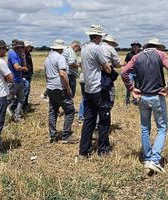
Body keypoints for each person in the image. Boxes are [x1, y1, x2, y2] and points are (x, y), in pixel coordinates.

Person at [122, 38, 168, 173]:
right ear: (157, 47)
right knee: (162, 129)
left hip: (143, 97)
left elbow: (123, 72)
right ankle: (155, 160)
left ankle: (147, 159)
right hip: (157, 96)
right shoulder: (161, 54)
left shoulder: (136, 57)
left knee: (145, 128)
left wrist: (131, 88)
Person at [79, 25, 112, 158]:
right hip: (98, 88)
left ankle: (83, 150)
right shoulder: (97, 49)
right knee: (104, 119)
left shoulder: (84, 47)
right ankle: (103, 149)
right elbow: (108, 69)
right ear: (99, 37)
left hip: (88, 88)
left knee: (89, 120)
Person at [44, 39, 78, 144]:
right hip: (60, 88)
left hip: (50, 88)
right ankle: (66, 135)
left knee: (53, 111)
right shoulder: (60, 58)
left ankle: (52, 135)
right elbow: (63, 74)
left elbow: (46, 75)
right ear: (61, 48)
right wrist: (67, 87)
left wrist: (48, 84)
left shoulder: (47, 59)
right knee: (70, 110)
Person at [7, 39, 29, 122]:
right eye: (23, 47)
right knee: (9, 99)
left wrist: (23, 58)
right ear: (18, 47)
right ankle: (6, 115)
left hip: (19, 80)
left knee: (21, 98)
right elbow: (17, 67)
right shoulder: (12, 53)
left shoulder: (18, 54)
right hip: (13, 81)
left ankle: (17, 116)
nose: (24, 49)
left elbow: (24, 65)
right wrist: (24, 69)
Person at [101, 34, 121, 108]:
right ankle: (105, 115)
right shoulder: (110, 48)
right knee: (109, 97)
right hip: (106, 75)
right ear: (111, 42)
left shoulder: (97, 47)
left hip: (94, 75)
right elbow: (117, 63)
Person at [22, 41, 34, 112]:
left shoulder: (28, 53)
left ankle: (25, 104)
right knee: (25, 91)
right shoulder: (23, 55)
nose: (32, 48)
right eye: (30, 47)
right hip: (25, 76)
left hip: (28, 75)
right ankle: (23, 106)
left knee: (27, 91)